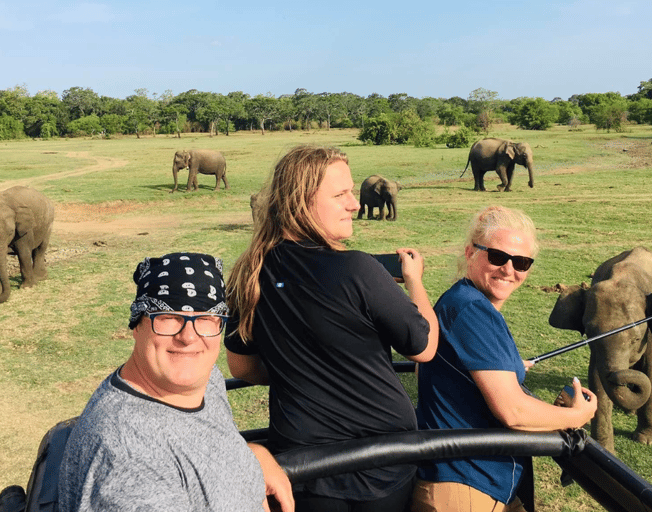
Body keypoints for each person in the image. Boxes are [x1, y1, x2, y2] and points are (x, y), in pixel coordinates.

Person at [225, 145, 439, 512]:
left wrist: (300, 369)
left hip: (304, 468)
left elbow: (242, 367)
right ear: (299, 202)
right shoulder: (358, 268)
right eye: (341, 195)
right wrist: (414, 281)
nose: (355, 204)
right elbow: (423, 346)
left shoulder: (248, 274)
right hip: (381, 467)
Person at [58, 252, 294, 512]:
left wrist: (250, 455)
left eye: (205, 318)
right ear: (137, 325)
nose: (188, 337)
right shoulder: (129, 457)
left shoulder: (206, 380)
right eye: (168, 318)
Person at [412, 206, 598, 512]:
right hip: (467, 485)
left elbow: (428, 371)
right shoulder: (472, 310)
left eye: (522, 262)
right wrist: (576, 417)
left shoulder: (461, 298)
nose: (509, 270)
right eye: (497, 256)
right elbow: (512, 410)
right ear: (471, 252)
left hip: (474, 481)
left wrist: (504, 365)